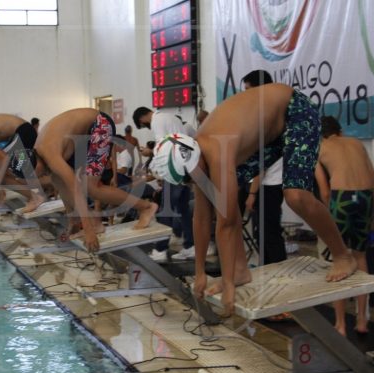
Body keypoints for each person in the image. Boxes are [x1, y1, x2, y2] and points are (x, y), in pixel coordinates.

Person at [151, 83, 358, 316]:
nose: (194, 180)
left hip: (294, 110)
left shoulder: (218, 151)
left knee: (295, 195)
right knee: (216, 199)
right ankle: (239, 270)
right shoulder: (195, 158)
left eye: (191, 175)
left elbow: (226, 223)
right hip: (270, 131)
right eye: (187, 180)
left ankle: (343, 255)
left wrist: (227, 284)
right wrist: (200, 272)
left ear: (193, 155)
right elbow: (201, 218)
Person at [34, 108, 159, 252]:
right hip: (85, 133)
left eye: (36, 173)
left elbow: (75, 189)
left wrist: (88, 231)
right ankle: (95, 222)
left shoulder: (50, 154)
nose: (38, 175)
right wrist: (73, 220)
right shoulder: (39, 153)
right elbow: (63, 187)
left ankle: (146, 207)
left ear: (36, 161)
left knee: (91, 187)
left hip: (100, 125)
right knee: (57, 180)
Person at [315, 115, 374, 336]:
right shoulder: (356, 143)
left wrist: (329, 218)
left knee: (339, 259)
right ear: (340, 131)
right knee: (361, 257)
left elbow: (324, 192)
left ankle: (341, 323)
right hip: (365, 198)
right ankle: (362, 320)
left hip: (341, 198)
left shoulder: (319, 148)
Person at [133, 106, 196, 261]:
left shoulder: (157, 120)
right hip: (184, 167)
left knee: (165, 209)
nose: (146, 126)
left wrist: (149, 152)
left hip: (173, 169)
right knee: (183, 209)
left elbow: (163, 147)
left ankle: (160, 250)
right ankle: (190, 247)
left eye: (142, 124)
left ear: (142, 118)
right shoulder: (172, 118)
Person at [241, 70, 287, 266]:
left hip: (269, 185)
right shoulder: (272, 111)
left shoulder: (268, 117)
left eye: (249, 90)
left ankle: (278, 271)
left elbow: (262, 162)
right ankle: (268, 269)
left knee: (269, 233)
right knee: (263, 232)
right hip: (268, 184)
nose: (246, 95)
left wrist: (252, 193)